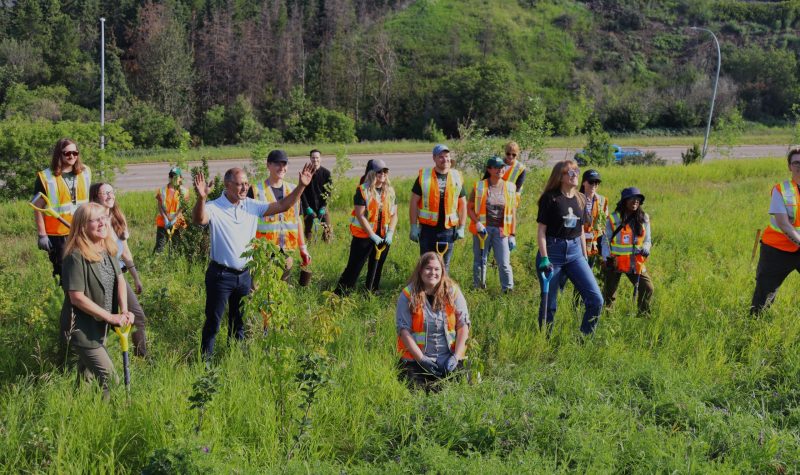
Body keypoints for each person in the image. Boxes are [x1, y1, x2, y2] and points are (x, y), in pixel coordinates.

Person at [193, 163, 315, 358]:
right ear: (227, 185)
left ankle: (235, 359)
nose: (244, 188)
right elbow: (199, 220)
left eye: (246, 183)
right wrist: (201, 198)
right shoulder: (214, 207)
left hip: (244, 276)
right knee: (213, 322)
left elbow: (283, 205)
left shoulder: (251, 206)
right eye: (239, 184)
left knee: (238, 322)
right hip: (220, 275)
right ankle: (205, 361)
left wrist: (301, 186)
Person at [60, 203, 134, 399]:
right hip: (82, 330)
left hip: (98, 327)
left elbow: (119, 279)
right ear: (83, 226)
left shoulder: (106, 246)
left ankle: (76, 414)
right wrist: (110, 317)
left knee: (85, 378)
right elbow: (76, 297)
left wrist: (125, 311)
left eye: (104, 217)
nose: (103, 223)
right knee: (111, 380)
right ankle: (114, 417)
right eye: (96, 220)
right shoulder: (75, 256)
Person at [535, 160, 603, 335]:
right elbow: (541, 231)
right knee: (549, 305)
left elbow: (580, 229)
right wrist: (544, 258)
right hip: (552, 251)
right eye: (571, 172)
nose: (576, 175)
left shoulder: (580, 198)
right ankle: (544, 341)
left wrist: (584, 255)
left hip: (575, 253)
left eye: (577, 172)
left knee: (596, 299)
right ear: (561, 176)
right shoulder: (550, 198)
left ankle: (585, 339)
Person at [396, 252, 469, 391]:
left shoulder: (453, 292)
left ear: (442, 271)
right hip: (416, 359)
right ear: (420, 270)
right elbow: (403, 330)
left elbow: (463, 325)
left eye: (437, 269)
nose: (432, 272)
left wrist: (456, 356)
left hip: (449, 358)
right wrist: (422, 359)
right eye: (428, 268)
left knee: (461, 386)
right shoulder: (407, 295)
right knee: (416, 390)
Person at [90, 182, 148, 357]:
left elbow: (125, 251)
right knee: (101, 325)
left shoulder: (116, 219)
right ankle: (96, 363)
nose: (110, 196)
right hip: (100, 278)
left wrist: (136, 277)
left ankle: (142, 357)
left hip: (118, 278)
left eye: (111, 192)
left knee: (137, 318)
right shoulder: (92, 223)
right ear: (95, 197)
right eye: (105, 193)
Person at [750, 146, 800, 314]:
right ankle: (754, 327)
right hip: (777, 250)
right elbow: (784, 224)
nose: (799, 165)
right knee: (764, 294)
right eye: (796, 162)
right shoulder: (781, 190)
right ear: (789, 166)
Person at [335, 159, 398, 293]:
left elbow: (394, 215)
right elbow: (360, 215)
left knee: (377, 265)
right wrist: (372, 235)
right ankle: (341, 293)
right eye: (379, 171)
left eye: (385, 171)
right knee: (354, 266)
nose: (382, 173)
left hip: (383, 235)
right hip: (364, 236)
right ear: (371, 173)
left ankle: (371, 291)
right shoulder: (363, 190)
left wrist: (391, 232)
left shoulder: (390, 191)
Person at [33, 138, 91, 280]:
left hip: (83, 229)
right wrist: (42, 234)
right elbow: (37, 207)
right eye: (67, 153)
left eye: (75, 153)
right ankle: (65, 299)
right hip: (59, 235)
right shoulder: (46, 177)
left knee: (86, 268)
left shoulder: (85, 172)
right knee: (64, 272)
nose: (72, 156)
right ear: (59, 154)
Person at [253, 150, 312, 286]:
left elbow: (297, 221)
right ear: (268, 165)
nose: (282, 168)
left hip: (286, 251)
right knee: (258, 290)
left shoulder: (293, 190)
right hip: (263, 251)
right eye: (277, 164)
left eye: (284, 164)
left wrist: (303, 248)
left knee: (282, 290)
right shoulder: (256, 190)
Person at [409, 144, 467, 272]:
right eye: (441, 156)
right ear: (434, 158)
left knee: (444, 266)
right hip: (427, 230)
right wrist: (413, 226)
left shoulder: (457, 176)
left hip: (448, 230)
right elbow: (413, 202)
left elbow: (462, 204)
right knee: (426, 265)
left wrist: (462, 227)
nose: (445, 159)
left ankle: (441, 291)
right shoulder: (424, 176)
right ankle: (425, 291)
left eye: (447, 156)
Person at [467, 156, 517, 291]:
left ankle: (507, 290)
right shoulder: (479, 186)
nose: (500, 170)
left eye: (502, 167)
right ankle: (479, 288)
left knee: (504, 263)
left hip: (502, 231)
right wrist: (477, 223)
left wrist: (512, 234)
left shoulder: (511, 187)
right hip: (483, 230)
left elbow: (513, 213)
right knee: (480, 261)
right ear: (489, 169)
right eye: (496, 167)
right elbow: (469, 208)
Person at [601, 187, 654, 315]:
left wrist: (646, 248)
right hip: (614, 262)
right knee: (609, 294)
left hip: (635, 262)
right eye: (632, 198)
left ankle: (643, 315)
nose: (635, 201)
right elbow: (605, 240)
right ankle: (608, 318)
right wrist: (606, 257)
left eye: (638, 199)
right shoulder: (613, 218)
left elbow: (648, 239)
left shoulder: (644, 218)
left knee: (647, 287)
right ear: (624, 201)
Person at [153, 167, 190, 253]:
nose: (173, 178)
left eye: (175, 176)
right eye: (171, 176)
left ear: (180, 178)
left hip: (178, 223)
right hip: (163, 223)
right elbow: (160, 206)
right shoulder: (162, 190)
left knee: (177, 248)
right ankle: (154, 264)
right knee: (159, 248)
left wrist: (174, 219)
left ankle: (174, 264)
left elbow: (182, 207)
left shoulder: (184, 191)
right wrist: (166, 219)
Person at [300, 149, 333, 243]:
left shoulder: (326, 173)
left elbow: (328, 192)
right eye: (313, 158)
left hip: (322, 205)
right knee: (308, 228)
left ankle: (326, 244)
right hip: (309, 206)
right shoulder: (306, 173)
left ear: (320, 158)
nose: (315, 160)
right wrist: (307, 207)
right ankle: (308, 245)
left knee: (327, 227)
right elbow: (301, 192)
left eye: (317, 157)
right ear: (310, 158)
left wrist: (323, 206)